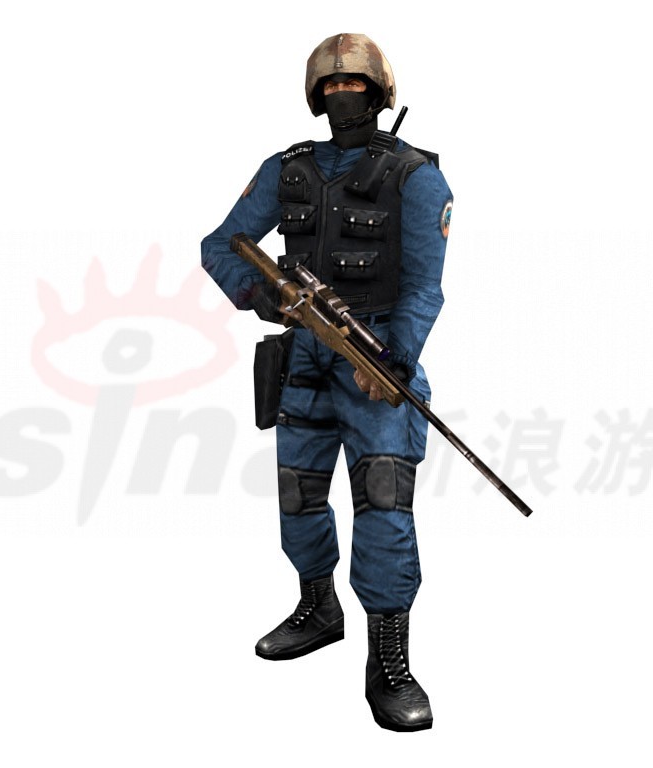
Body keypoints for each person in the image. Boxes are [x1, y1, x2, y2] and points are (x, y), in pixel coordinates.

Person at [200, 33, 452, 732]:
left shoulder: (415, 176)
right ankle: (318, 608)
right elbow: (220, 245)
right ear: (317, 97)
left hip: (375, 356)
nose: (344, 95)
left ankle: (389, 660)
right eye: (333, 87)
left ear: (380, 93)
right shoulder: (288, 170)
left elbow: (424, 287)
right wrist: (264, 296)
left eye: (356, 86)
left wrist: (397, 357)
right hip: (304, 356)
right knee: (299, 492)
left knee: (384, 504)